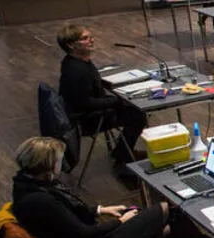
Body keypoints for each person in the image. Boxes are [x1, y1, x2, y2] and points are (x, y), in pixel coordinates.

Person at [11, 137, 203, 238]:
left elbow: (67, 216)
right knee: (166, 209)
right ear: (50, 165)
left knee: (176, 228)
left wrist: (100, 210)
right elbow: (84, 234)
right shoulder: (41, 201)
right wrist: (120, 222)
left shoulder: (26, 187)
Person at [56, 24, 146, 164]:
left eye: (90, 37)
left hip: (89, 110)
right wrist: (116, 101)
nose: (91, 40)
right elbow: (85, 103)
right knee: (137, 115)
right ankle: (123, 156)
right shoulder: (77, 71)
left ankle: (122, 151)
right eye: (85, 38)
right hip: (87, 119)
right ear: (71, 45)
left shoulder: (77, 61)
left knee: (131, 108)